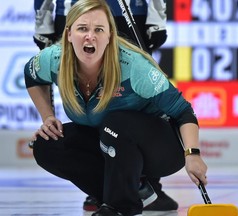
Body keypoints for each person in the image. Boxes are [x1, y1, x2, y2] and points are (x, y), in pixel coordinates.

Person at [25, 0, 208, 215]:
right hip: (108, 138)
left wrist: (193, 154)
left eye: (98, 30)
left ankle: (121, 207)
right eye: (82, 28)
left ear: (110, 35)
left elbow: (182, 111)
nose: (89, 36)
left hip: (160, 148)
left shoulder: (133, 66)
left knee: (115, 123)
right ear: (68, 34)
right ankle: (134, 191)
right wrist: (48, 117)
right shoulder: (54, 59)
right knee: (47, 144)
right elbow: (31, 75)